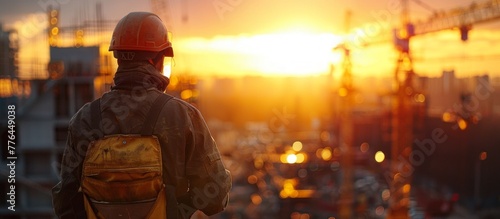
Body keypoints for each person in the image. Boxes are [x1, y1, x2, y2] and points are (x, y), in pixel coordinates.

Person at [52, 11, 232, 219]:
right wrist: (178, 208)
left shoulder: (84, 119)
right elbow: (215, 194)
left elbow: (64, 199)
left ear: (118, 58)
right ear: (158, 60)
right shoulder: (183, 116)